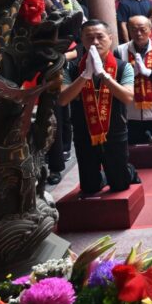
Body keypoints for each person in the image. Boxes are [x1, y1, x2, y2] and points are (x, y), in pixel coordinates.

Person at [59, 20, 141, 193]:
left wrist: (104, 75)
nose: (95, 42)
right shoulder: (72, 68)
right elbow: (62, 99)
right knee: (90, 188)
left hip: (114, 129)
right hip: (84, 131)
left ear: (110, 38)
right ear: (82, 40)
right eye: (89, 38)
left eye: (100, 37)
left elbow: (127, 97)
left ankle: (128, 171)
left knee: (120, 185)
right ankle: (102, 177)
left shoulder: (123, 67)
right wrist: (85, 75)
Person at [115, 16, 152, 144]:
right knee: (135, 148)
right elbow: (115, 78)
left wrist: (148, 73)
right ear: (128, 30)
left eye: (142, 29)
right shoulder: (120, 51)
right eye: (134, 30)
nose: (138, 33)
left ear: (150, 30)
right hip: (131, 113)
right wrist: (131, 74)